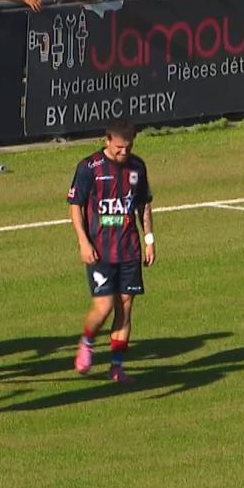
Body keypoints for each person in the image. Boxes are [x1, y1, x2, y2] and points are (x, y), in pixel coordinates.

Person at [67, 120, 155, 384]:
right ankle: (87, 341)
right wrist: (83, 242)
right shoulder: (88, 168)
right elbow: (75, 207)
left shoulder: (137, 167)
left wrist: (149, 239)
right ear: (107, 140)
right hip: (101, 252)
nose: (123, 153)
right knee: (104, 306)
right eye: (119, 148)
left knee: (125, 307)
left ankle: (116, 366)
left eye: (128, 148)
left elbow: (144, 205)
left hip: (129, 250)